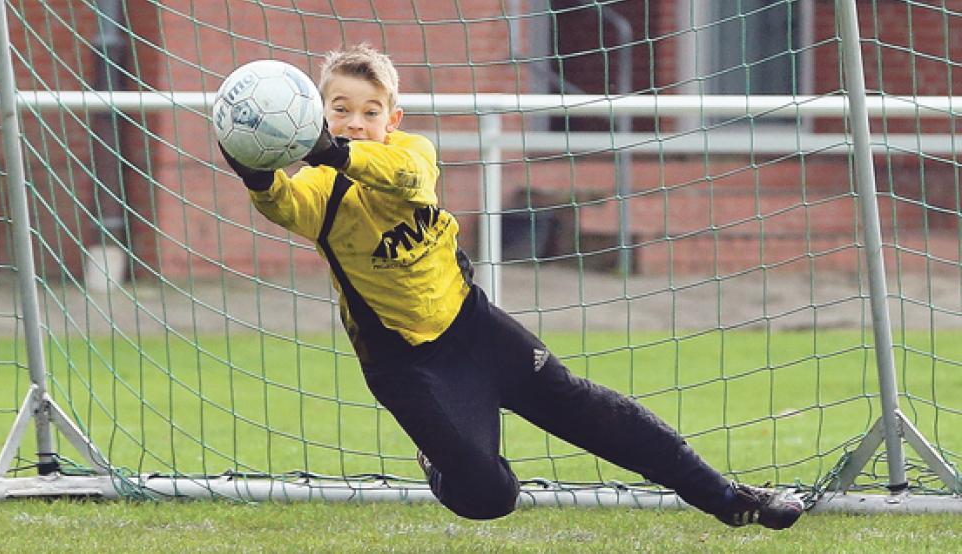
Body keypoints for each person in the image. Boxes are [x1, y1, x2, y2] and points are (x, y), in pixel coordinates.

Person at [219, 43, 804, 529]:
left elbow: (408, 178)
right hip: (407, 364)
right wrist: (254, 168)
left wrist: (337, 149)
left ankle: (730, 501)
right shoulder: (319, 190)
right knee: (490, 497)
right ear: (316, 115)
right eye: (340, 109)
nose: (355, 121)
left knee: (589, 408)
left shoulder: (410, 154)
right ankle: (441, 457)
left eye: (371, 111)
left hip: (475, 328)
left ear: (392, 120)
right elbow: (282, 203)